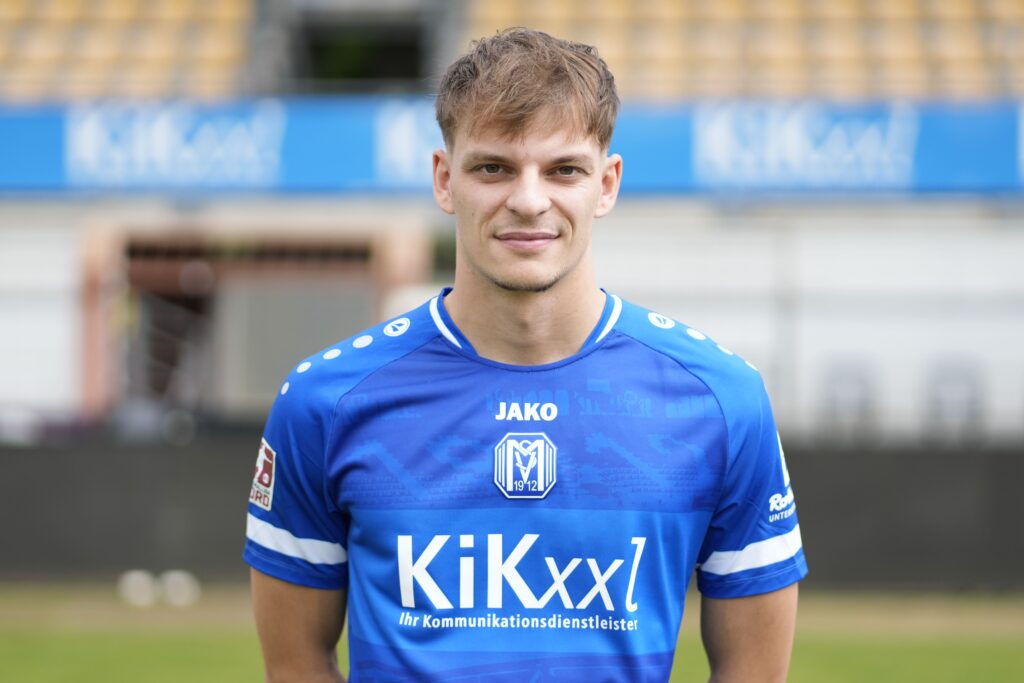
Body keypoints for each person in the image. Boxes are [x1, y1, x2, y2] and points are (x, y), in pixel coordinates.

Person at [244, 27, 807, 682]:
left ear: (607, 183)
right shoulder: (326, 401)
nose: (530, 199)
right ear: (443, 178)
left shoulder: (720, 400)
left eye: (564, 169)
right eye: (494, 167)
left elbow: (754, 672)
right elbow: (295, 665)